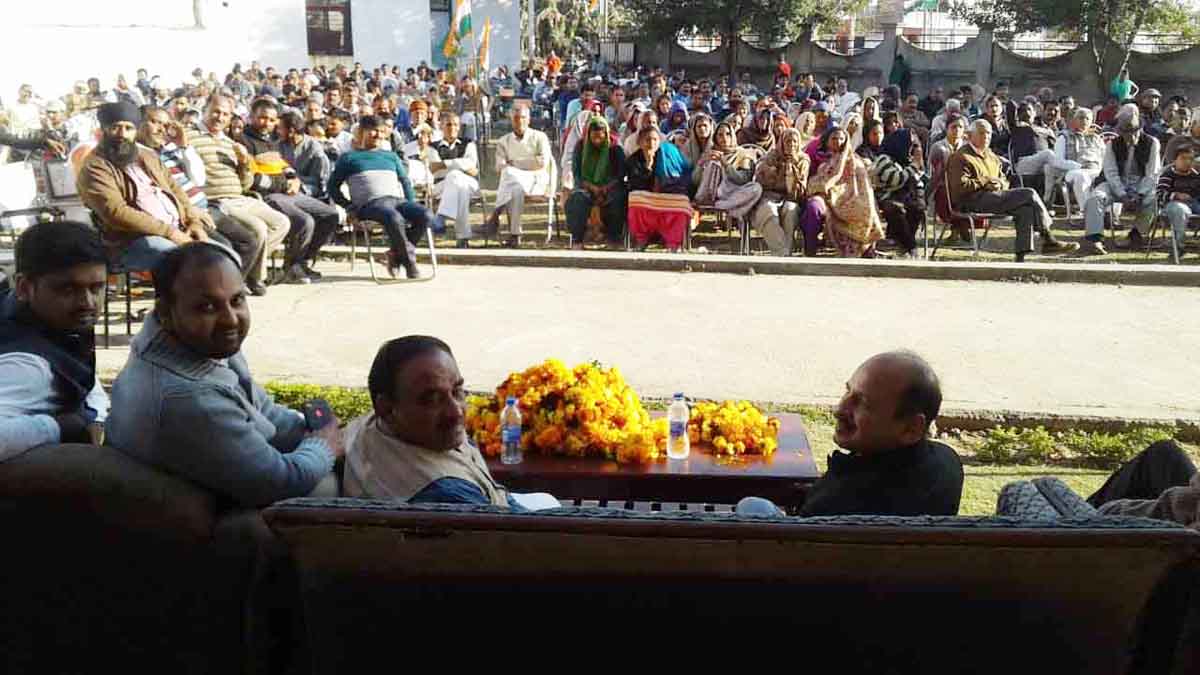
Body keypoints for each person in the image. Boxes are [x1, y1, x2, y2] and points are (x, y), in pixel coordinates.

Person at [106, 243, 342, 508]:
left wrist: (314, 428)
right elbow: (282, 481)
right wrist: (324, 447)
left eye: (237, 300)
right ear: (165, 312)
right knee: (329, 485)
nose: (230, 319)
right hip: (198, 525)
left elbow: (261, 409)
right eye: (207, 307)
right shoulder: (189, 398)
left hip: (212, 482)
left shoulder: (195, 343)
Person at [737, 351, 963, 517]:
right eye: (848, 391)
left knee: (751, 506)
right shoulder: (947, 462)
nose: (839, 409)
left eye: (861, 402)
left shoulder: (835, 507)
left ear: (911, 428)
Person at [343, 336, 557, 511]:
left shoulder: (369, 425)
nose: (456, 412)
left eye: (457, 391)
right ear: (387, 408)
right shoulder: (448, 495)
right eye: (432, 399)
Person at [0, 222, 108, 462]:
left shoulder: (49, 324)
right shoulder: (27, 368)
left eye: (97, 287)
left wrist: (94, 416)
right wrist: (59, 426)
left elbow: (85, 381)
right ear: (24, 287)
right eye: (68, 289)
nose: (88, 303)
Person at [78, 102, 217, 272]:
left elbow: (176, 190)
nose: (122, 134)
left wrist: (193, 222)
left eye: (128, 128)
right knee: (190, 262)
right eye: (115, 127)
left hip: (177, 229)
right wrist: (171, 233)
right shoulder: (94, 166)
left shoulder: (147, 155)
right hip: (130, 241)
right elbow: (116, 212)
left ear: (136, 131)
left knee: (225, 256)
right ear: (104, 129)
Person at [188, 95, 290, 295]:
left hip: (241, 196)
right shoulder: (189, 137)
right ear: (205, 110)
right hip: (217, 200)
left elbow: (246, 184)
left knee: (282, 222)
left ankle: (246, 271)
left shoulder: (229, 142)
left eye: (225, 114)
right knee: (258, 229)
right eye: (216, 111)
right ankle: (250, 279)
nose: (220, 117)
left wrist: (244, 164)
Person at [946, 119, 1078, 262]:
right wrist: (985, 182)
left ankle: (1020, 257)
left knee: (1025, 209)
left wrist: (1000, 184)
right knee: (1029, 193)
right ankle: (1048, 238)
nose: (986, 137)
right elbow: (959, 187)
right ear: (970, 135)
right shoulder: (960, 157)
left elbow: (1004, 179)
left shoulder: (991, 155)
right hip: (972, 201)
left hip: (994, 197)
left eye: (989, 134)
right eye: (982, 133)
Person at [328, 115, 433, 279]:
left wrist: (411, 204)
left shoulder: (390, 156)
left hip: (396, 201)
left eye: (381, 131)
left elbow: (405, 181)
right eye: (373, 131)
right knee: (394, 217)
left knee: (425, 215)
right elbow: (332, 187)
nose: (378, 135)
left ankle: (396, 254)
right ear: (361, 132)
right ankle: (409, 263)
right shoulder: (348, 158)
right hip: (369, 205)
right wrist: (348, 206)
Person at [1081, 106, 1160, 253]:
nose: (1129, 136)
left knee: (1153, 198)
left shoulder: (1152, 143)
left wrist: (1140, 193)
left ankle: (1136, 234)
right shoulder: (1112, 144)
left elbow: (1152, 173)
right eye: (1125, 132)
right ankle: (1095, 238)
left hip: (1140, 184)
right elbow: (1110, 172)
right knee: (1095, 198)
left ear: (1139, 129)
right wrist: (1122, 194)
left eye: (1133, 131)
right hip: (1115, 183)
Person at [808, 128, 884, 258]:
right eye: (834, 138)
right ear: (827, 141)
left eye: (841, 138)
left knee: (863, 209)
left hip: (855, 195)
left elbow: (862, 183)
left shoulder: (854, 160)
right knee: (825, 210)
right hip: (832, 196)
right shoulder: (821, 160)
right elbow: (818, 181)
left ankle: (864, 248)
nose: (838, 142)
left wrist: (847, 193)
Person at [486, 105, 554, 248]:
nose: (519, 121)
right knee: (515, 188)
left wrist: (515, 163)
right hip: (514, 182)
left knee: (509, 173)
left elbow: (542, 162)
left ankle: (495, 214)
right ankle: (515, 235)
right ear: (511, 120)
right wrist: (519, 165)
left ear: (528, 119)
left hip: (536, 179)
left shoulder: (540, 137)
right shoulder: (504, 141)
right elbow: (499, 166)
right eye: (516, 118)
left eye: (523, 117)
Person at [625, 127, 692, 252]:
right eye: (647, 140)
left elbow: (681, 176)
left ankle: (673, 244)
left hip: (668, 195)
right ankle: (642, 240)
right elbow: (635, 185)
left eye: (655, 140)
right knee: (635, 200)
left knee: (681, 203)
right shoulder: (633, 160)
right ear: (639, 142)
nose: (651, 143)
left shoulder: (667, 154)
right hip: (646, 198)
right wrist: (648, 167)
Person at [750, 128, 813, 256]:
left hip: (792, 198)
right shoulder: (772, 156)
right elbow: (759, 176)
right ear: (782, 142)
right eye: (788, 141)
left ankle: (784, 253)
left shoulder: (803, 160)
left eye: (794, 141)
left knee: (790, 211)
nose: (791, 144)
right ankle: (783, 253)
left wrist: (792, 171)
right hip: (769, 196)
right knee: (768, 210)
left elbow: (801, 190)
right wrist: (772, 171)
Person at [566, 116, 626, 248]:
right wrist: (591, 187)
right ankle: (577, 239)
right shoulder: (581, 147)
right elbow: (577, 174)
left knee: (618, 198)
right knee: (577, 199)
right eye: (594, 138)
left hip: (610, 188)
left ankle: (613, 237)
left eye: (601, 137)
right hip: (587, 187)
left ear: (606, 134)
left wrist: (606, 187)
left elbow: (620, 175)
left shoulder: (615, 149)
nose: (597, 141)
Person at [870, 125, 926, 258]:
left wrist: (919, 167)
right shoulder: (884, 159)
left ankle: (901, 245)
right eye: (910, 144)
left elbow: (919, 181)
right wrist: (913, 167)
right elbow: (895, 179)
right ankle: (911, 247)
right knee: (897, 209)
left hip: (904, 197)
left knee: (917, 208)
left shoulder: (906, 160)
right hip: (885, 197)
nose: (911, 148)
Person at [431, 113, 481, 248]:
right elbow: (433, 168)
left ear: (459, 127)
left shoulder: (469, 144)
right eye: (448, 124)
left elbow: (473, 170)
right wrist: (461, 164)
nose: (452, 128)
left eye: (455, 125)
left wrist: (446, 164)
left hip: (470, 183)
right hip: (441, 186)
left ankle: (442, 216)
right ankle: (463, 238)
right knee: (459, 186)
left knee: (456, 178)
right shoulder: (433, 147)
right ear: (441, 126)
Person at [927, 116, 978, 243]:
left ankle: (957, 230)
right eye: (953, 127)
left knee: (969, 192)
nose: (957, 130)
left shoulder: (968, 147)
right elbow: (936, 174)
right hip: (942, 186)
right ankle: (961, 229)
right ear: (947, 129)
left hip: (964, 185)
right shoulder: (938, 147)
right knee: (948, 194)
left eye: (960, 127)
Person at [1154, 144, 1200, 258]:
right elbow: (1159, 194)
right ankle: (1179, 246)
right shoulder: (1168, 175)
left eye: (1190, 159)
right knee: (1180, 210)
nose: (1187, 162)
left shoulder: (1196, 176)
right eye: (1183, 158)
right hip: (1171, 206)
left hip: (1193, 204)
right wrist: (1175, 195)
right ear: (1175, 160)